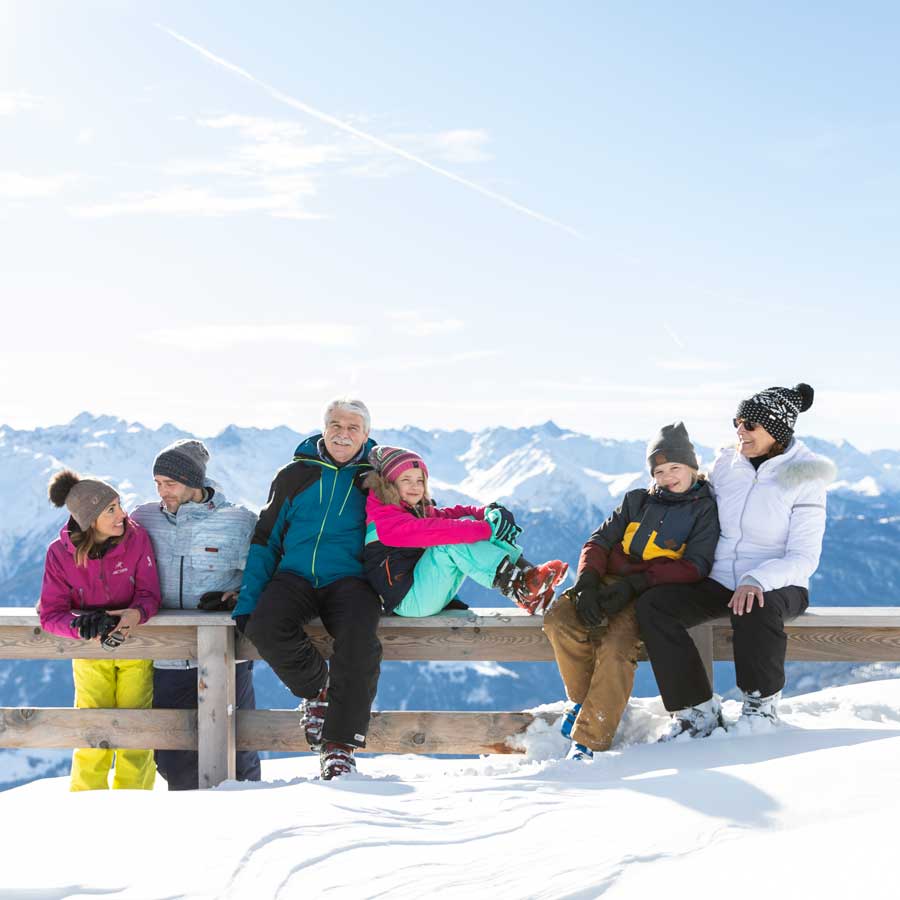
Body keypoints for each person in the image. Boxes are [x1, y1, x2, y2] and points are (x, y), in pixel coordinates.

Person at [636, 384, 837, 740]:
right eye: (737, 422)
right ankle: (696, 711)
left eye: (750, 425)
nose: (740, 431)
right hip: (719, 579)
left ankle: (761, 708)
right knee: (655, 606)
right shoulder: (726, 464)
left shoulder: (805, 476)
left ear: (776, 429)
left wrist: (757, 579)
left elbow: (804, 557)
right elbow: (696, 504)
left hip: (780, 584)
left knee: (754, 606)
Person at [544, 422, 719, 760]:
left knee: (616, 646)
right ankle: (585, 703)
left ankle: (590, 738)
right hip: (609, 581)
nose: (667, 477)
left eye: (675, 468)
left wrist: (636, 584)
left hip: (650, 591)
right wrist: (588, 581)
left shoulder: (703, 509)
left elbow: (696, 565)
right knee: (559, 619)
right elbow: (599, 540)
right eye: (659, 471)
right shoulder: (637, 501)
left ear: (692, 467)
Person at [232, 398, 384, 780]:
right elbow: (266, 539)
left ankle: (339, 747)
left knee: (360, 641)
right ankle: (319, 690)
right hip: (295, 575)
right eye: (336, 426)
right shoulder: (294, 475)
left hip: (350, 580)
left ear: (366, 435)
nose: (343, 434)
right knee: (262, 625)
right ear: (324, 428)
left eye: (353, 428)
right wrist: (248, 600)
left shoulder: (376, 479)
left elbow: (409, 524)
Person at [131, 438, 261, 790]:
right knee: (172, 757)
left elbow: (267, 576)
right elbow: (105, 554)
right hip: (168, 657)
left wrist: (241, 595)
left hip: (227, 655)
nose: (163, 492)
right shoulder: (143, 518)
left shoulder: (239, 521)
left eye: (170, 483)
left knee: (239, 750)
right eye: (157, 483)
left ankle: (250, 816)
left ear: (193, 481)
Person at [39, 469, 161, 791]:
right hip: (90, 653)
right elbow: (50, 614)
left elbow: (149, 593)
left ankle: (135, 803)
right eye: (111, 509)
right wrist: (78, 625)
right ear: (90, 519)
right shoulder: (59, 554)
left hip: (135, 646)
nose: (122, 515)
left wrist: (137, 613)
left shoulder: (137, 539)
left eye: (119, 505)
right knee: (91, 733)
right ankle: (86, 805)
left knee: (136, 732)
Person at [363, 445, 568, 618]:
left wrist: (486, 513)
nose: (415, 486)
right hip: (408, 601)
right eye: (406, 480)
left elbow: (450, 515)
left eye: (420, 480)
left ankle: (530, 577)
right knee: (449, 540)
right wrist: (487, 528)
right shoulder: (385, 520)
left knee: (465, 525)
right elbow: (438, 530)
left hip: (423, 591)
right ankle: (521, 588)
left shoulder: (413, 510)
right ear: (390, 484)